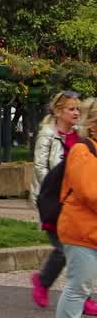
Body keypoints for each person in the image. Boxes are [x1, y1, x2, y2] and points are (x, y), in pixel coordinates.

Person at [32, 91, 88, 310]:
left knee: (78, 248)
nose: (76, 113)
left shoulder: (79, 136)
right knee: (67, 249)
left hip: (73, 202)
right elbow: (40, 167)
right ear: (58, 111)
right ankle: (48, 283)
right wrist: (54, 196)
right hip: (52, 202)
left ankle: (79, 296)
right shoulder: (47, 135)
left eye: (78, 109)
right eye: (71, 109)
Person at [56, 98, 97, 318]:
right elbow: (90, 192)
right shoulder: (83, 150)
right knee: (78, 288)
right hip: (81, 232)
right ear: (92, 124)